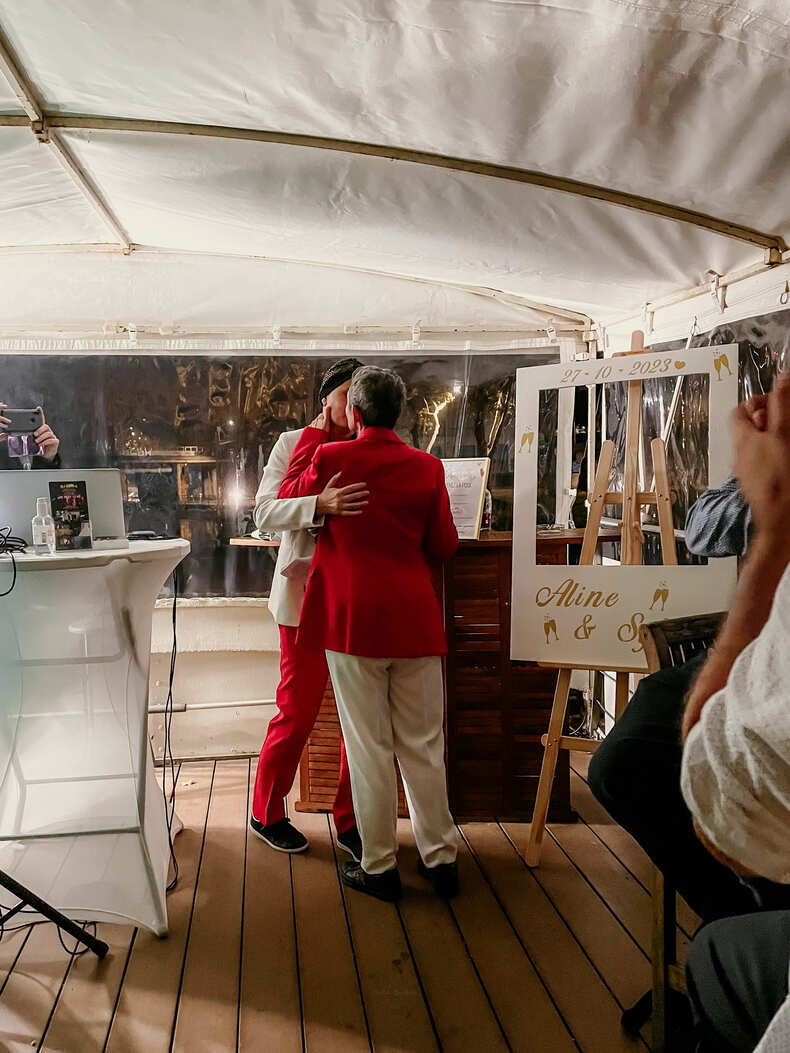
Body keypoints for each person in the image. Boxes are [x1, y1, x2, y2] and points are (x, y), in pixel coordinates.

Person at [278, 365, 459, 903]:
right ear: (399, 413)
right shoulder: (428, 467)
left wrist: (315, 432)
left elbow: (287, 497)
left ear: (353, 412)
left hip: (353, 622)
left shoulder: (332, 458)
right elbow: (444, 545)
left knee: (368, 747)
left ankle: (379, 867)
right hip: (416, 621)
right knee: (424, 746)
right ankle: (441, 859)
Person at [680, 373, 790, 1052]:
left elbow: (720, 800)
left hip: (750, 661)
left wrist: (775, 518)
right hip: (746, 659)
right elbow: (700, 526)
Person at [249, 358, 368, 859]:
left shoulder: (374, 444)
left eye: (363, 396)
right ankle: (265, 810)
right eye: (348, 396)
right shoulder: (290, 443)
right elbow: (264, 511)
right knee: (295, 710)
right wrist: (319, 505)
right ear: (327, 400)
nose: (356, 406)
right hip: (302, 598)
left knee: (355, 717)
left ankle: (350, 818)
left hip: (358, 598)